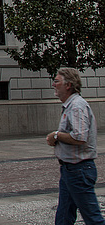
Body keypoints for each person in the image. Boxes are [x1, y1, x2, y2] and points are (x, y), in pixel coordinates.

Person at [46, 68, 105, 225]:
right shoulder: (70, 106)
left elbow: (80, 137)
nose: (53, 84)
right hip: (70, 170)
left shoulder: (77, 106)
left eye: (57, 81)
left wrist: (56, 136)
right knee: (64, 217)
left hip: (79, 170)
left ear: (68, 85)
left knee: (93, 218)